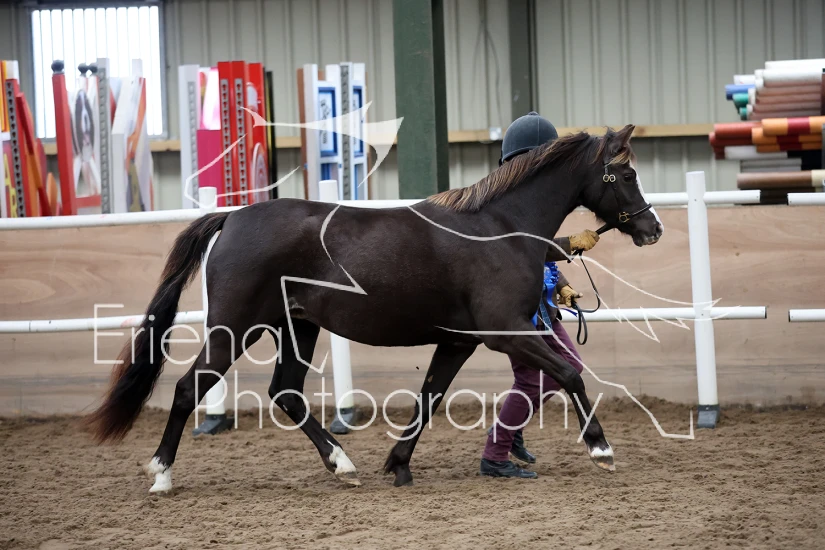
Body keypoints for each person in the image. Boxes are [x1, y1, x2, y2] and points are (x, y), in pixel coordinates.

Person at [479, 112, 599, 479]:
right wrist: (568, 244)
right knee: (539, 378)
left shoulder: (531, 204)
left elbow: (535, 253)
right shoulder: (502, 204)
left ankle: (507, 432)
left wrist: (560, 284)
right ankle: (497, 449)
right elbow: (523, 247)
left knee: (563, 369)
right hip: (517, 309)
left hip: (539, 307)